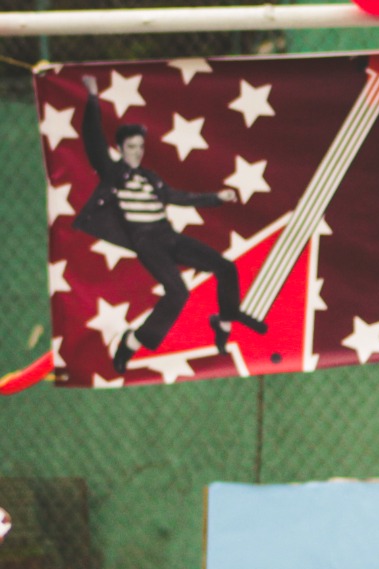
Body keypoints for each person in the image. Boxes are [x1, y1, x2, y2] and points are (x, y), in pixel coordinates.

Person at [74, 76, 264, 374]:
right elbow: (93, 139)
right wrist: (93, 98)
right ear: (121, 148)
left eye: (140, 146)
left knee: (226, 267)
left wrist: (216, 197)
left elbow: (176, 197)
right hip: (145, 240)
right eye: (131, 147)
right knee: (177, 293)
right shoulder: (112, 173)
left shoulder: (150, 177)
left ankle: (224, 322)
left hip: (167, 234)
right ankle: (132, 342)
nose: (137, 152)